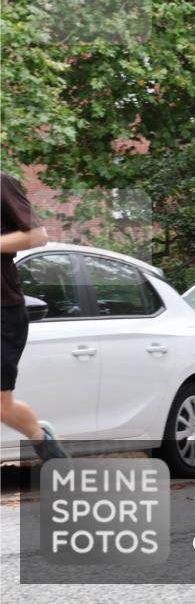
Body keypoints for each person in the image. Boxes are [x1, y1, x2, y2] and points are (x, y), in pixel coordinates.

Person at [1, 172, 68, 460]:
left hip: (3, 312)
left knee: (2, 406)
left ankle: (42, 440)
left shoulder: (2, 184)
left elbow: (38, 236)